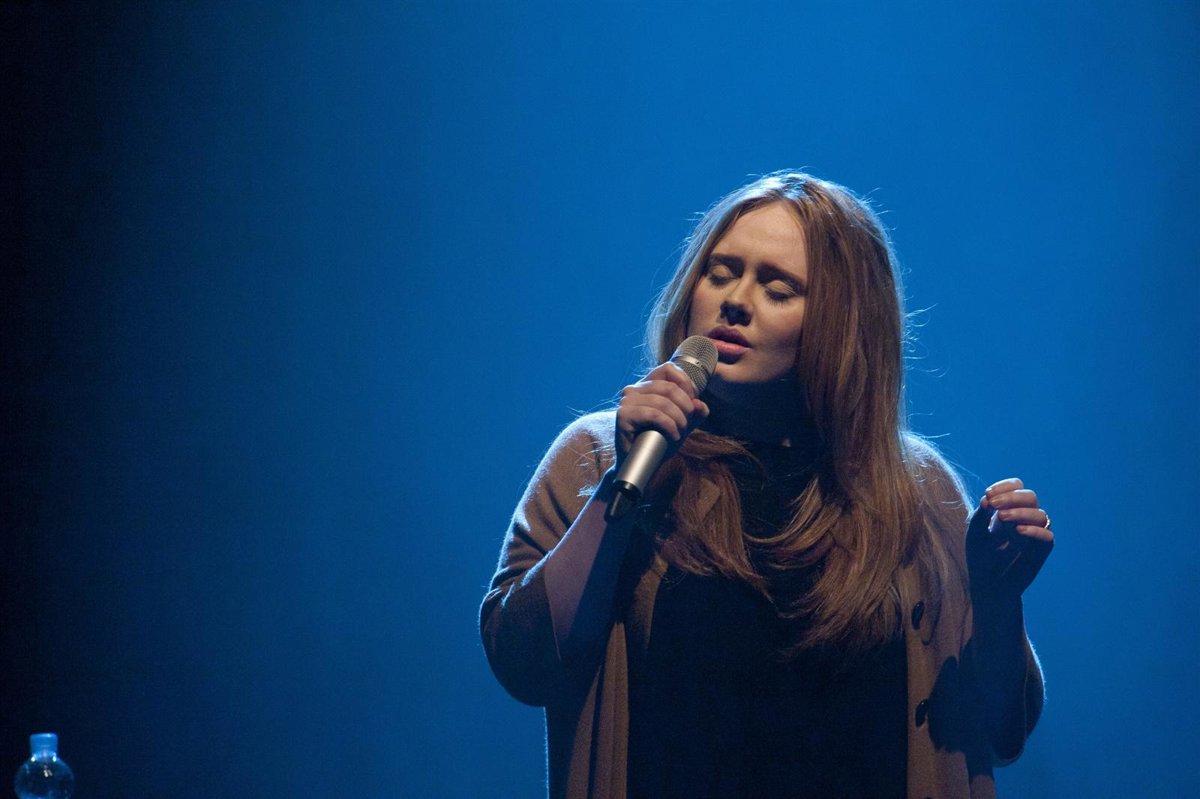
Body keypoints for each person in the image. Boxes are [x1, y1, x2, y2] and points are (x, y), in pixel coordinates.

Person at [481, 172, 1052, 799]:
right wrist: (622, 488)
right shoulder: (600, 455)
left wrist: (997, 599)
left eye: (778, 289)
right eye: (720, 273)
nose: (735, 301)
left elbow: (1001, 731)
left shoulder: (913, 491)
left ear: (845, 324)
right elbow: (524, 663)